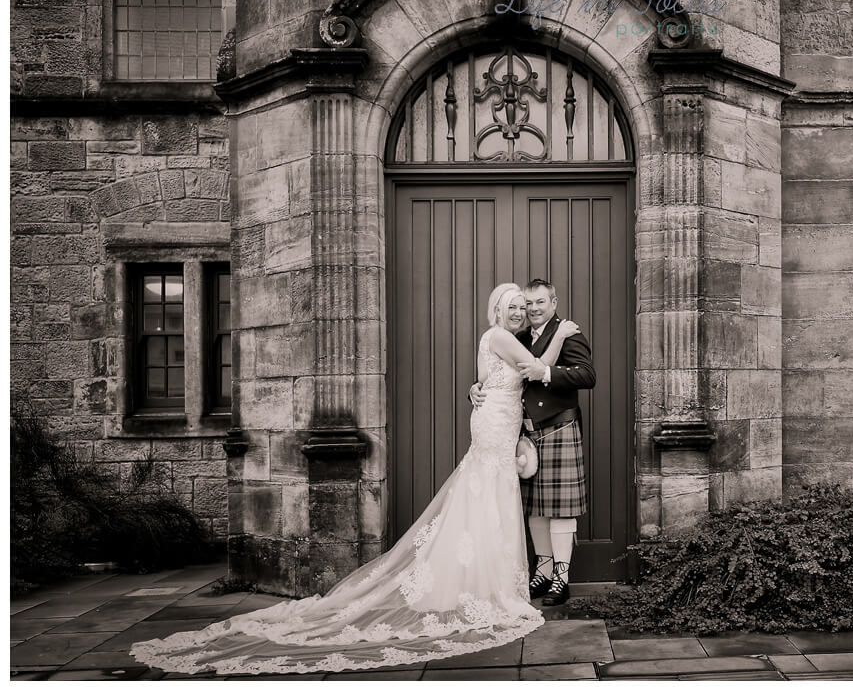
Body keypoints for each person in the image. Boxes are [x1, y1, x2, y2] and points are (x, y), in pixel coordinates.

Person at [130, 283, 581, 675]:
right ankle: (489, 585)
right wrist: (560, 332)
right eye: (514, 305)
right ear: (497, 311)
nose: (520, 311)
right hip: (496, 428)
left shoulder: (493, 338)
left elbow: (496, 379)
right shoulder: (504, 336)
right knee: (488, 498)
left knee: (484, 498)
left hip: (497, 426)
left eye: (525, 306)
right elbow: (536, 367)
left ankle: (482, 580)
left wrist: (476, 389)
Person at [470, 278, 595, 607]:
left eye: (540, 302)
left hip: (558, 429)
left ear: (553, 303)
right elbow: (501, 371)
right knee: (535, 509)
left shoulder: (569, 333)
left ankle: (561, 578)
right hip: (524, 433)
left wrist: (549, 374)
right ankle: (542, 570)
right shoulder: (519, 336)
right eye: (529, 304)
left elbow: (587, 375)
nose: (533, 309)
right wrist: (475, 387)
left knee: (561, 509)